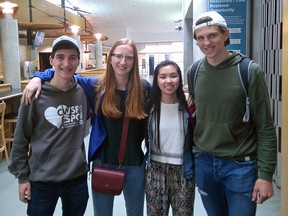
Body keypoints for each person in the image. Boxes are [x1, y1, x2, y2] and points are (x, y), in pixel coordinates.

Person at [22, 38, 152, 216]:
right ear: (111, 58)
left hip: (135, 163)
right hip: (103, 162)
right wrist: (38, 77)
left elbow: (167, 91)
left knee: (135, 213)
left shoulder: (145, 90)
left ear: (135, 61)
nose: (123, 62)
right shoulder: (97, 87)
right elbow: (66, 73)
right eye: (118, 56)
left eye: (129, 58)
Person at [188, 11, 277, 216]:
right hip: (205, 163)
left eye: (212, 35)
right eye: (200, 38)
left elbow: (265, 127)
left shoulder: (248, 71)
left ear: (225, 34)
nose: (206, 43)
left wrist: (265, 175)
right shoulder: (193, 71)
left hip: (240, 166)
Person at [8, 35, 90, 216]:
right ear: (51, 60)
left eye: (72, 57)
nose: (66, 63)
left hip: (76, 179)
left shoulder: (84, 92)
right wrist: (22, 177)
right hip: (42, 181)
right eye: (60, 57)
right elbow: (20, 138)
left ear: (78, 62)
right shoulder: (34, 94)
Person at [145, 60, 195, 215]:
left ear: (179, 79)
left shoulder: (189, 107)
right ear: (156, 80)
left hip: (183, 171)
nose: (168, 81)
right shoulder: (148, 108)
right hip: (155, 171)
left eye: (173, 76)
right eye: (163, 77)